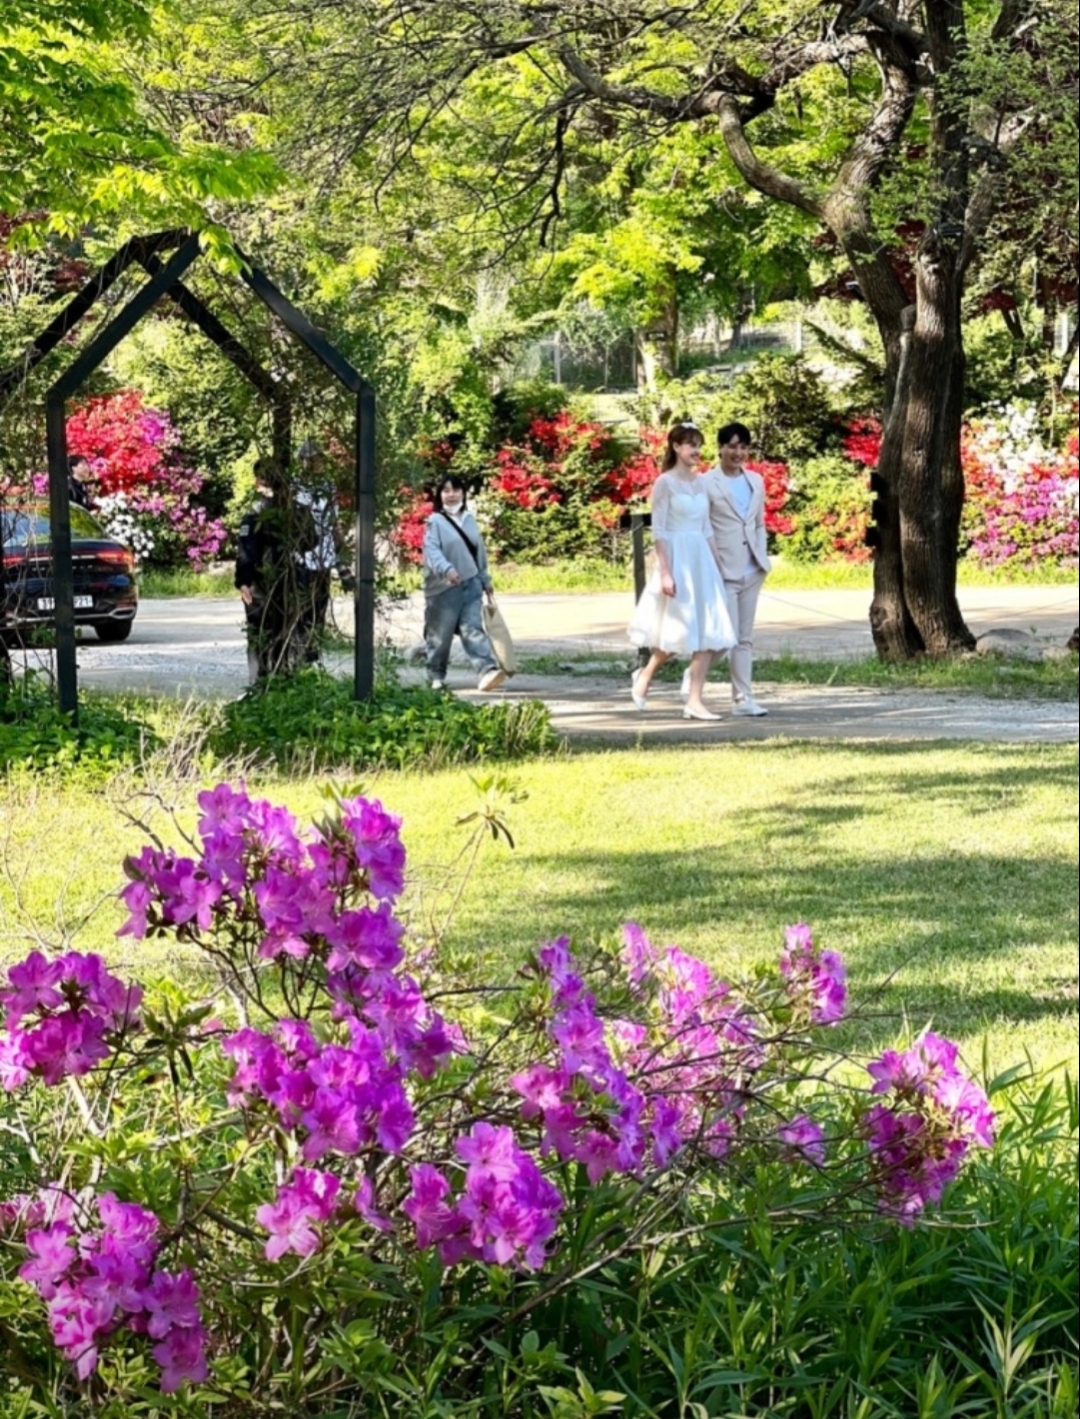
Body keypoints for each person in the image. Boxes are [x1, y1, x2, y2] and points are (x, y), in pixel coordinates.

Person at [627, 421, 736, 720]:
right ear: (676, 447)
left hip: (701, 560)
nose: (696, 451)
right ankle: (646, 673)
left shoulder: (701, 483)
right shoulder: (665, 483)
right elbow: (660, 529)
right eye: (691, 445)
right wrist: (666, 571)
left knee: (709, 632)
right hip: (678, 558)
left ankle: (694, 700)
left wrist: (718, 565)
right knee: (679, 632)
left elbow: (707, 528)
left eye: (699, 445)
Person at [696, 421, 771, 716]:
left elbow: (759, 523)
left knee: (744, 638)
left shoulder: (756, 480)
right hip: (723, 569)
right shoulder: (705, 483)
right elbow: (703, 527)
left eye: (743, 447)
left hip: (753, 568)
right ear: (720, 448)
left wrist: (761, 554)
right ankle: (694, 677)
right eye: (731, 447)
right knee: (724, 636)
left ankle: (742, 699)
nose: (737, 453)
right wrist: (713, 562)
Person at [422, 475, 506, 692]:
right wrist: (447, 570)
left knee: (472, 628)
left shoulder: (469, 519)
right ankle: (436, 675)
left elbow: (479, 553)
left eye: (456, 490)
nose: (451, 495)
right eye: (446, 491)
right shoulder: (434, 522)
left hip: (471, 584)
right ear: (440, 495)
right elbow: (431, 551)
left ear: (463, 493)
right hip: (443, 588)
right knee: (440, 635)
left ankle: (487, 670)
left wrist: (485, 579)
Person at [235, 458, 292, 682]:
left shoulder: (256, 512)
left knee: (258, 632)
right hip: (287, 579)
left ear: (259, 481)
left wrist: (243, 581)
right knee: (282, 629)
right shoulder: (291, 510)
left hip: (260, 581)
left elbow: (247, 550)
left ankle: (258, 681)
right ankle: (282, 678)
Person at [293, 439, 340, 663]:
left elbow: (334, 520)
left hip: (325, 554)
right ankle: (300, 651)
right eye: (311, 459)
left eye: (318, 458)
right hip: (302, 555)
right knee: (303, 606)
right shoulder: (295, 486)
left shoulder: (328, 486)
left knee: (320, 604)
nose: (315, 463)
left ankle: (313, 653)